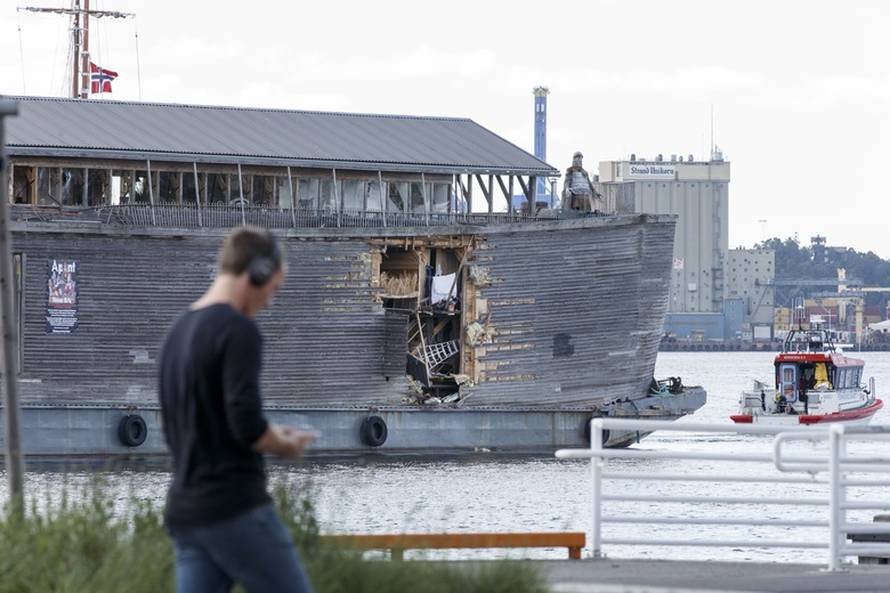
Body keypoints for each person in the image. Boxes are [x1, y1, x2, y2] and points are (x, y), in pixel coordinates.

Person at [159, 226, 317, 593]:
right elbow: (245, 422)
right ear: (257, 273)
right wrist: (284, 443)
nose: (270, 301)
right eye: (273, 289)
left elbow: (184, 427)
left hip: (186, 513)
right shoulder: (238, 329)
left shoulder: (178, 332)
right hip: (235, 509)